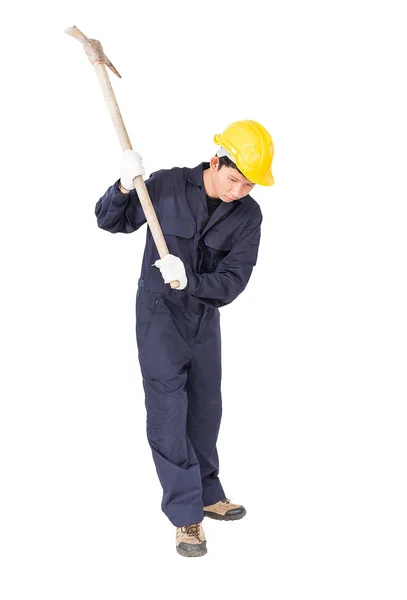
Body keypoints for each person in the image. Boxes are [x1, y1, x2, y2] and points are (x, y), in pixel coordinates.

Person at [95, 120, 274, 557]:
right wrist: (122, 186)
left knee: (206, 410)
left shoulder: (249, 215)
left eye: (248, 185)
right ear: (216, 161)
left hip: (203, 318)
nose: (237, 192)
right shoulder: (166, 184)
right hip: (158, 319)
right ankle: (186, 517)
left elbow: (232, 282)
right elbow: (109, 222)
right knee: (168, 413)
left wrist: (190, 280)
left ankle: (208, 492)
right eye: (233, 179)